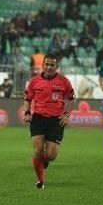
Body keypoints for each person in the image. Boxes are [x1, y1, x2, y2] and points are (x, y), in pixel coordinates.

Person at [21, 55, 75, 189]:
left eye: (52, 65)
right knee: (38, 150)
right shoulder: (34, 81)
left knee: (51, 156)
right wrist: (27, 113)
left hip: (56, 121)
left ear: (57, 67)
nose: (49, 67)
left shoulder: (64, 81)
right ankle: (40, 180)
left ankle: (44, 160)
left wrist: (66, 115)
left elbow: (71, 98)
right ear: (43, 65)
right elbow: (27, 99)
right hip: (38, 119)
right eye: (47, 64)